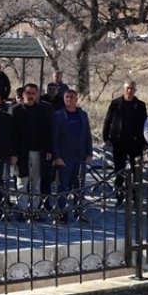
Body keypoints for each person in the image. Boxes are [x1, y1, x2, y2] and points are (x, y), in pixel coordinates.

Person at [101, 80, 148, 206]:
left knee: (136, 171)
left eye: (132, 88)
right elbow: (108, 120)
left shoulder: (140, 105)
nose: (130, 90)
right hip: (119, 142)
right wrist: (106, 138)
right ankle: (119, 196)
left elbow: (145, 124)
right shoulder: (116, 103)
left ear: (135, 90)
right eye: (127, 88)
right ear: (123, 89)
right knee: (119, 171)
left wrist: (144, 142)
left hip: (135, 143)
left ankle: (135, 197)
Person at [51, 89, 93, 222]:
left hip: (80, 156)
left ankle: (78, 211)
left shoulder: (83, 115)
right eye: (66, 97)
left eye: (71, 97)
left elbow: (87, 135)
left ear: (76, 99)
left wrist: (89, 152)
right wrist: (56, 156)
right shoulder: (58, 115)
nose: (69, 99)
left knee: (79, 186)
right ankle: (61, 213)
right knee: (63, 186)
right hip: (64, 157)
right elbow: (54, 138)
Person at [11, 83, 53, 210]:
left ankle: (35, 209)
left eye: (33, 93)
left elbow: (48, 131)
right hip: (21, 152)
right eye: (28, 93)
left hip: (38, 152)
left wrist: (49, 149)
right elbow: (11, 134)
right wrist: (13, 153)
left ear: (37, 95)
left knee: (36, 182)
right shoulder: (15, 110)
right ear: (23, 95)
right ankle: (22, 209)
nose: (30, 96)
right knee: (21, 182)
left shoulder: (43, 110)